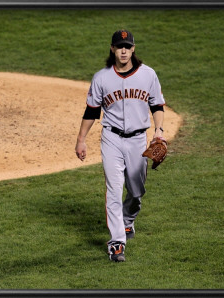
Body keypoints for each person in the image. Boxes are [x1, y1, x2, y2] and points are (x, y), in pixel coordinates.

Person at [75, 29, 166, 262]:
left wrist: (159, 131)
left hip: (138, 140)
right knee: (114, 190)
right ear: (112, 49)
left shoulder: (148, 75)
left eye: (127, 46)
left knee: (136, 192)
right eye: (119, 46)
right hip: (111, 139)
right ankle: (117, 243)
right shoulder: (102, 77)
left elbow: (157, 105)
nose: (123, 50)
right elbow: (92, 111)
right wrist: (81, 139)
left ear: (133, 49)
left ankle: (128, 220)